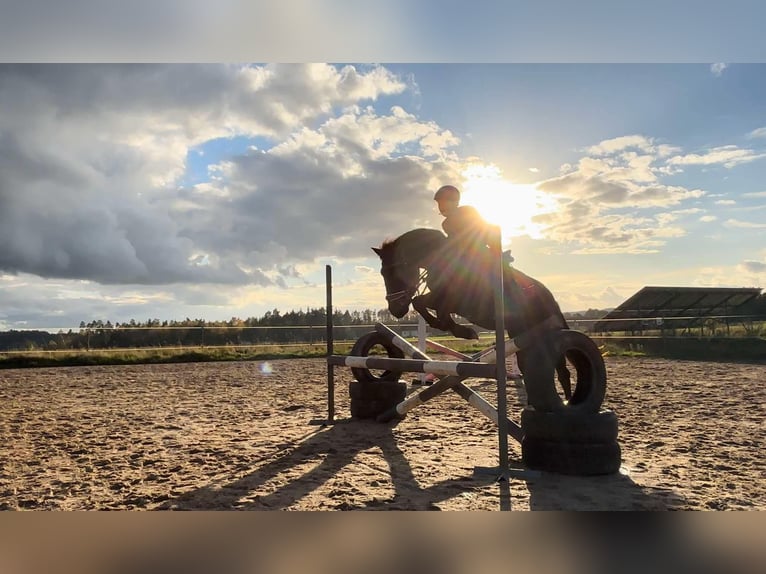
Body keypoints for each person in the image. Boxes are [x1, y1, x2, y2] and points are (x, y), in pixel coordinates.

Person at [433, 184, 514, 272]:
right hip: (464, 257)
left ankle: (501, 272)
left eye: (444, 202)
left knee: (498, 268)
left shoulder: (467, 211)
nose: (441, 207)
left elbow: (480, 232)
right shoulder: (445, 224)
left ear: (455, 202)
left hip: (482, 252)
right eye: (439, 203)